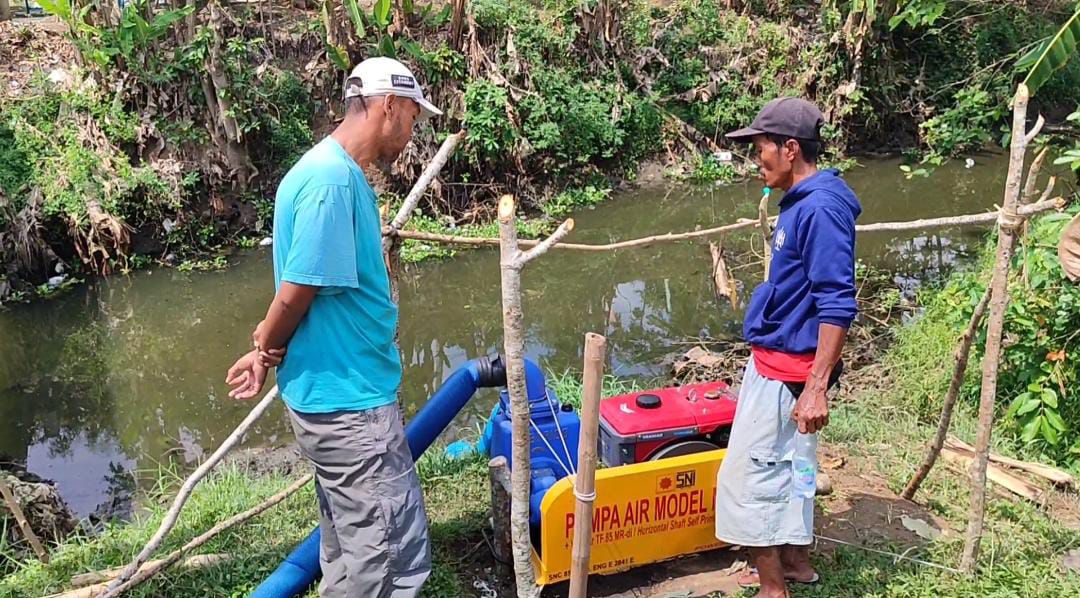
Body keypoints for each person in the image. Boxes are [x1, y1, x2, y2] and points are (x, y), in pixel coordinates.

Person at [224, 56, 442, 598]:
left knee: (348, 548)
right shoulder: (330, 183)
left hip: (336, 399)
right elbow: (298, 289)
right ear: (388, 105)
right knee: (391, 559)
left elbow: (302, 289)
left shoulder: (328, 171)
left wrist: (264, 351)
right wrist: (266, 344)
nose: (412, 133)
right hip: (350, 408)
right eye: (413, 116)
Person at [713, 98, 861, 598]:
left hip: (788, 372)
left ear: (791, 148)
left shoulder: (819, 209)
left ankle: (772, 588)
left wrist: (815, 386)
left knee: (748, 482)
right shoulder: (806, 201)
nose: (757, 161)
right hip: (789, 366)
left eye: (761, 150)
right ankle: (797, 562)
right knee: (798, 467)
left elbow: (837, 303)